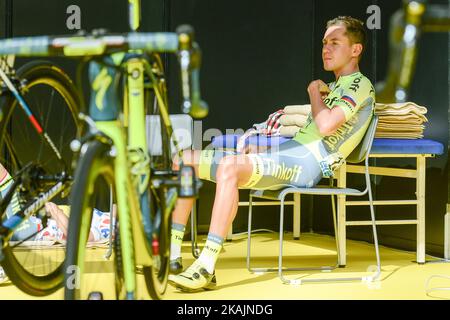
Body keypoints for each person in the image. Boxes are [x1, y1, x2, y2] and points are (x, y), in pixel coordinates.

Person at [168, 16, 376, 292]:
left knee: (229, 167)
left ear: (355, 50)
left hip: (308, 164)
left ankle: (205, 265)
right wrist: (265, 146)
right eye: (325, 42)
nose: (326, 49)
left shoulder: (359, 84)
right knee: (184, 160)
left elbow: (325, 126)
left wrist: (314, 91)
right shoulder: (336, 86)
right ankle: (171, 257)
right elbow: (307, 133)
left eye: (335, 43)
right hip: (288, 154)